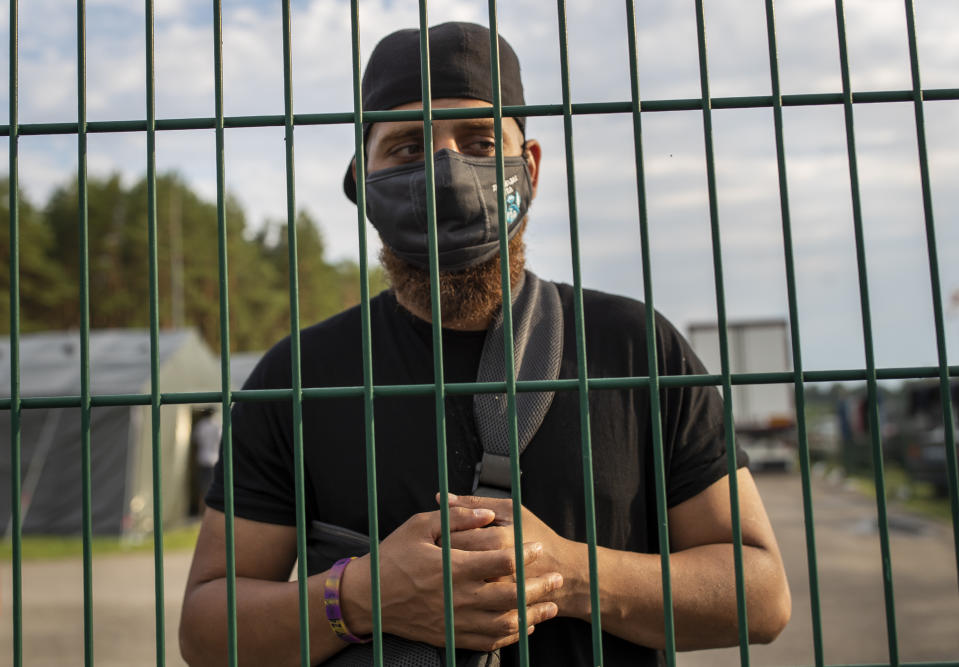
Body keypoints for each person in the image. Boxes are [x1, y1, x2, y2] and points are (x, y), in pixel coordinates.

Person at [179, 22, 790, 667]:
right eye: (409, 148)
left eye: (478, 141)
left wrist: (567, 574)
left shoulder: (635, 349)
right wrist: (360, 596)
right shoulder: (299, 377)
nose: (446, 172)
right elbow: (206, 631)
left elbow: (761, 595)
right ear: (362, 181)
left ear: (528, 168)